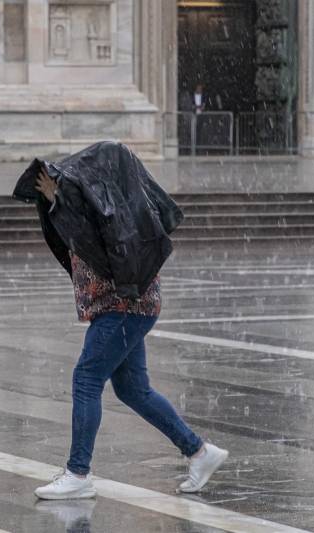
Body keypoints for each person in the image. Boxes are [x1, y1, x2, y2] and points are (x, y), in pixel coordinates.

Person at [29, 142, 229, 500]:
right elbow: (82, 237)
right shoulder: (106, 206)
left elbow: (93, 240)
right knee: (133, 389)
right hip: (127, 307)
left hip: (123, 307)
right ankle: (200, 452)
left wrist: (61, 200)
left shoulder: (116, 212)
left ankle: (78, 472)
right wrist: (58, 200)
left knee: (87, 377)